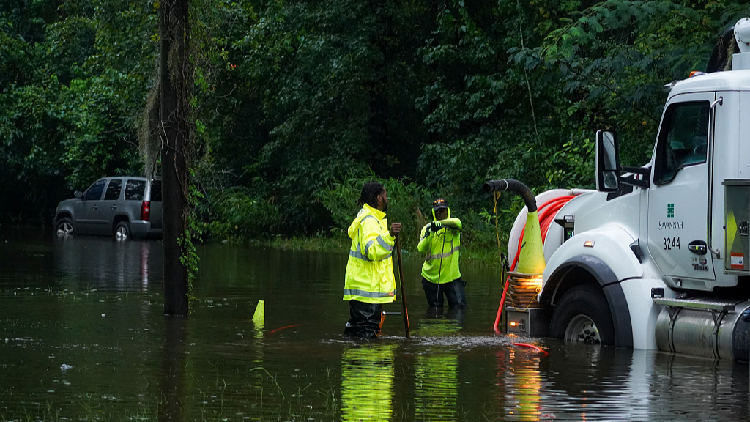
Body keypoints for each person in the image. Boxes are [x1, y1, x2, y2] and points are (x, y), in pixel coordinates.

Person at [343, 181, 402, 338]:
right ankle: (367, 362)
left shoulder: (372, 219)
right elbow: (371, 251)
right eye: (385, 195)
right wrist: (390, 236)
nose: (387, 198)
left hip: (365, 289)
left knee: (356, 331)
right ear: (378, 198)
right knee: (367, 334)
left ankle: (352, 359)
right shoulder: (369, 221)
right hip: (367, 290)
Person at [417, 198, 465, 308]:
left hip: (452, 278)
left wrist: (439, 224)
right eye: (438, 211)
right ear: (434, 212)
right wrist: (430, 233)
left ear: (447, 211)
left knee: (459, 309)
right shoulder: (427, 228)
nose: (441, 213)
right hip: (431, 278)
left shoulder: (453, 227)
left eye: (443, 211)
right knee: (434, 310)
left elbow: (458, 222)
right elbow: (421, 249)